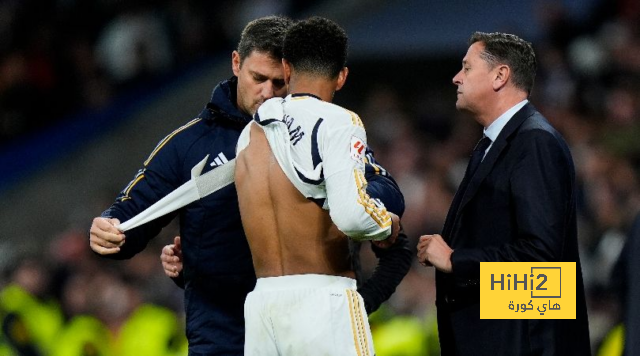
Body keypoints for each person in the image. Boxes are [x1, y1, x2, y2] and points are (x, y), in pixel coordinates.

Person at [90, 15, 410, 355]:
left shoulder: (315, 129)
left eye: (278, 83)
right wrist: (109, 226)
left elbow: (383, 188)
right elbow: (132, 215)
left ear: (291, 73)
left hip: (295, 314)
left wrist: (339, 191)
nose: (267, 93)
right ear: (236, 63)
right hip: (223, 333)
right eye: (258, 78)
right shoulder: (190, 145)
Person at [233, 16, 400, 355]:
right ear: (342, 76)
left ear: (286, 67)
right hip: (323, 300)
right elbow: (352, 216)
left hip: (261, 306)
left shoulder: (250, 134)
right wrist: (387, 224)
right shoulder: (339, 121)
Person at [417, 32, 591, 355]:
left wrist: (457, 260)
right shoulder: (493, 144)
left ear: (500, 76)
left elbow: (543, 261)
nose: (456, 78)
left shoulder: (535, 142)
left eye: (466, 68)